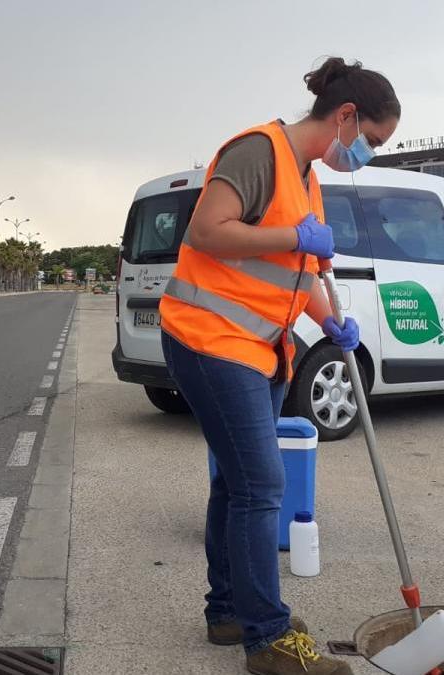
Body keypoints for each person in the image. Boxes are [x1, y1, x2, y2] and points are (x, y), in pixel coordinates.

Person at [159, 57, 401, 675]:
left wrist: (327, 320)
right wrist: (295, 238)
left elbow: (295, 271)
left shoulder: (308, 175)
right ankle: (266, 640)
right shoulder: (257, 151)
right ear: (345, 117)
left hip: (261, 347)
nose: (367, 153)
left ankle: (229, 612)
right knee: (262, 487)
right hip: (210, 341)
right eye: (371, 141)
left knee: (234, 486)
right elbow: (207, 233)